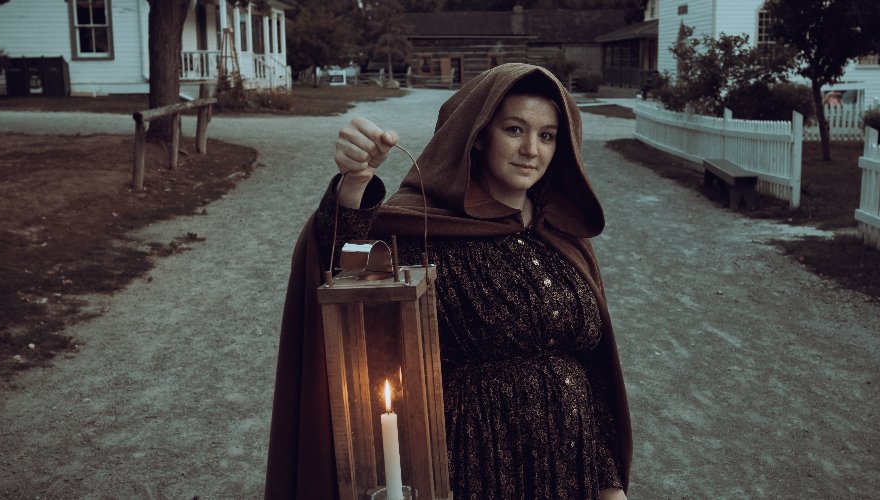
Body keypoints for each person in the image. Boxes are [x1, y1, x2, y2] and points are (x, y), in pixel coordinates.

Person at [266, 63, 632, 500]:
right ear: (478, 136)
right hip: (475, 468)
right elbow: (344, 268)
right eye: (514, 130)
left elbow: (592, 374)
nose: (531, 150)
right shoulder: (426, 231)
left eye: (548, 135)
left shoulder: (563, 234)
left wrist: (608, 484)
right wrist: (354, 186)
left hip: (572, 472)